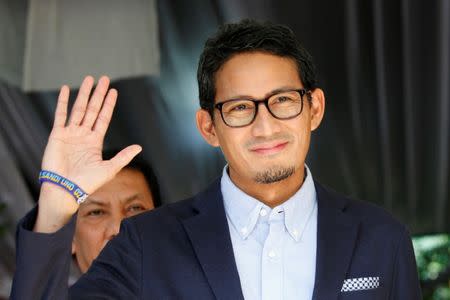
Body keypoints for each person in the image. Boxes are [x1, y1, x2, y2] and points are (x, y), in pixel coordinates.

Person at [11, 19, 421, 299]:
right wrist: (55, 209)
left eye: (282, 100)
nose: (265, 126)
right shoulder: (145, 243)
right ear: (209, 127)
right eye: (240, 107)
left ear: (314, 108)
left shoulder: (382, 238)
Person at [72, 150, 161, 273]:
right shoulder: (42, 291)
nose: (118, 229)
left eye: (135, 208)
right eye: (96, 212)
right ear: (70, 239)